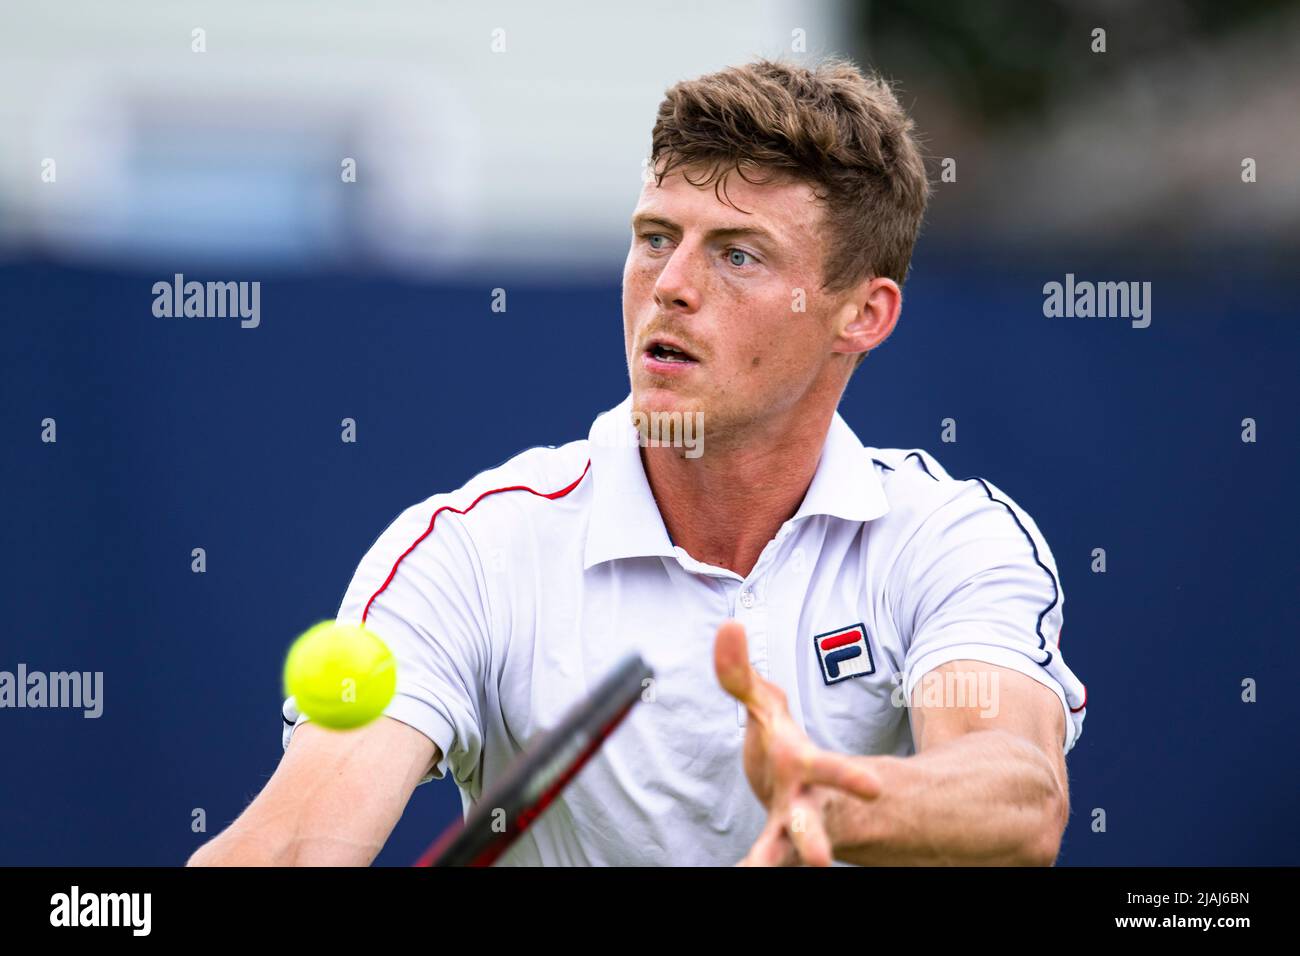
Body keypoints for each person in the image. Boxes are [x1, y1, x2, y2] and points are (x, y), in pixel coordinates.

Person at [189, 56, 1086, 867]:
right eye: (657, 237)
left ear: (863, 315)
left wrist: (842, 803)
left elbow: (1016, 794)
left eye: (737, 254)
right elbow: (296, 842)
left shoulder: (948, 539)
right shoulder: (469, 553)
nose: (671, 285)